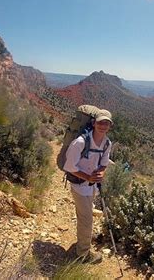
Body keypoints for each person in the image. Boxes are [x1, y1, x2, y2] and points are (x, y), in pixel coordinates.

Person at [63, 109, 113, 263]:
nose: (103, 125)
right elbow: (69, 166)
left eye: (106, 123)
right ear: (93, 123)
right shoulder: (80, 142)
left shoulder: (106, 143)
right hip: (79, 186)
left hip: (92, 187)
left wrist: (101, 173)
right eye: (100, 122)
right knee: (87, 219)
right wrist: (88, 177)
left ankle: (81, 242)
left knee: (85, 215)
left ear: (110, 126)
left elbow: (104, 164)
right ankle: (83, 254)